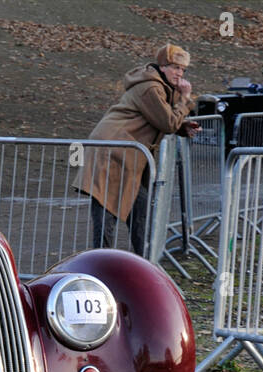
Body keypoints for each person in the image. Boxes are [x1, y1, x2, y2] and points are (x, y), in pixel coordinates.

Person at [80, 44, 199, 256]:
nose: (179, 73)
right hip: (111, 150)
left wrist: (182, 126)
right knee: (106, 214)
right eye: (175, 67)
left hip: (129, 156)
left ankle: (143, 265)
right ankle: (99, 266)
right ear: (162, 66)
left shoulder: (160, 86)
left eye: (183, 69)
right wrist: (185, 99)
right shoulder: (150, 87)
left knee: (140, 213)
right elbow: (166, 122)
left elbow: (160, 118)